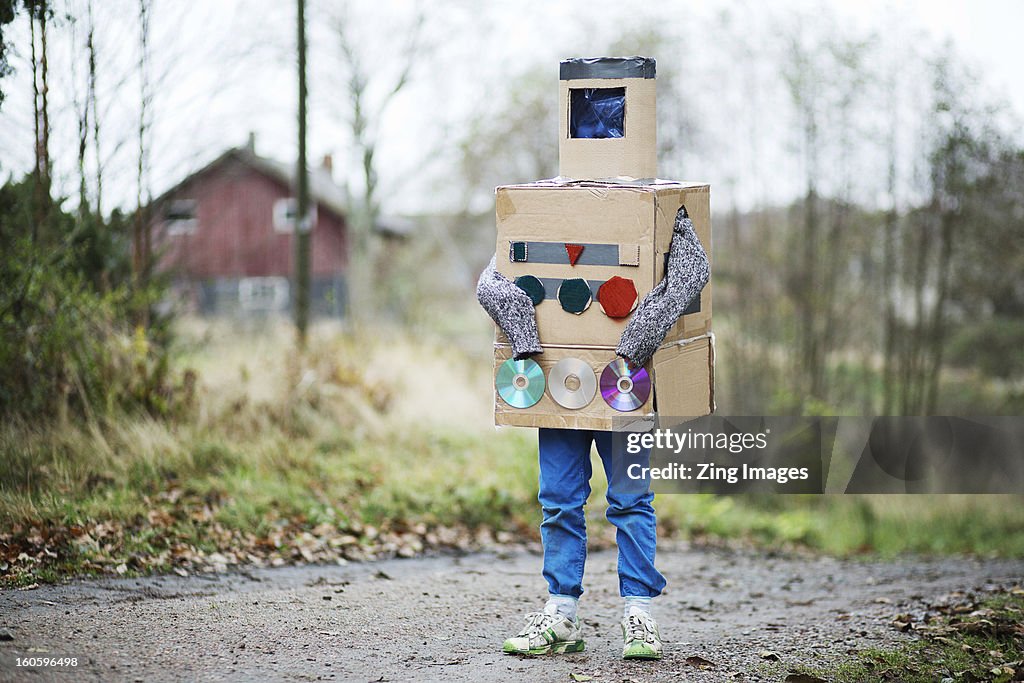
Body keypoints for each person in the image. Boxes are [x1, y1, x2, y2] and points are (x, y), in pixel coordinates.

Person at [476, 204, 710, 660]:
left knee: (630, 499)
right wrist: (526, 336)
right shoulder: (539, 209)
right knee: (558, 499)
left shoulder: (655, 206)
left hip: (626, 379)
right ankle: (561, 613)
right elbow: (492, 278)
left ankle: (639, 614)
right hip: (557, 380)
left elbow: (693, 268)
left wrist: (635, 342)